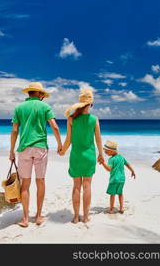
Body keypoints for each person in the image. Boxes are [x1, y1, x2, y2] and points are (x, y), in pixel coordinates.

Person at [10, 82, 62, 227]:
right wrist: (60, 145)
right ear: (39, 93)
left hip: (24, 149)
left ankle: (25, 219)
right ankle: (38, 216)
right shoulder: (45, 107)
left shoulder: (19, 108)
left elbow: (14, 131)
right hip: (40, 148)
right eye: (42, 95)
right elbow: (55, 127)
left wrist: (11, 151)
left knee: (25, 184)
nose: (43, 98)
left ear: (29, 93)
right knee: (40, 182)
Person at [59, 89, 104, 223]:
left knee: (76, 186)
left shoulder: (71, 119)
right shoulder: (94, 120)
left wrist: (62, 151)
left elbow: (68, 140)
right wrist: (101, 154)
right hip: (89, 156)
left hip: (76, 157)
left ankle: (75, 217)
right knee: (87, 186)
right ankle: (86, 217)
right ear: (90, 104)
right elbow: (98, 139)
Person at [101, 140, 136, 214]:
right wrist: (132, 171)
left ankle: (111, 209)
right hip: (122, 179)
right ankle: (121, 208)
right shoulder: (121, 157)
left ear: (112, 151)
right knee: (120, 193)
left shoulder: (111, 159)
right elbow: (127, 164)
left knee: (112, 195)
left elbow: (109, 169)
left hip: (114, 180)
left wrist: (103, 163)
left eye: (106, 151)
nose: (105, 153)